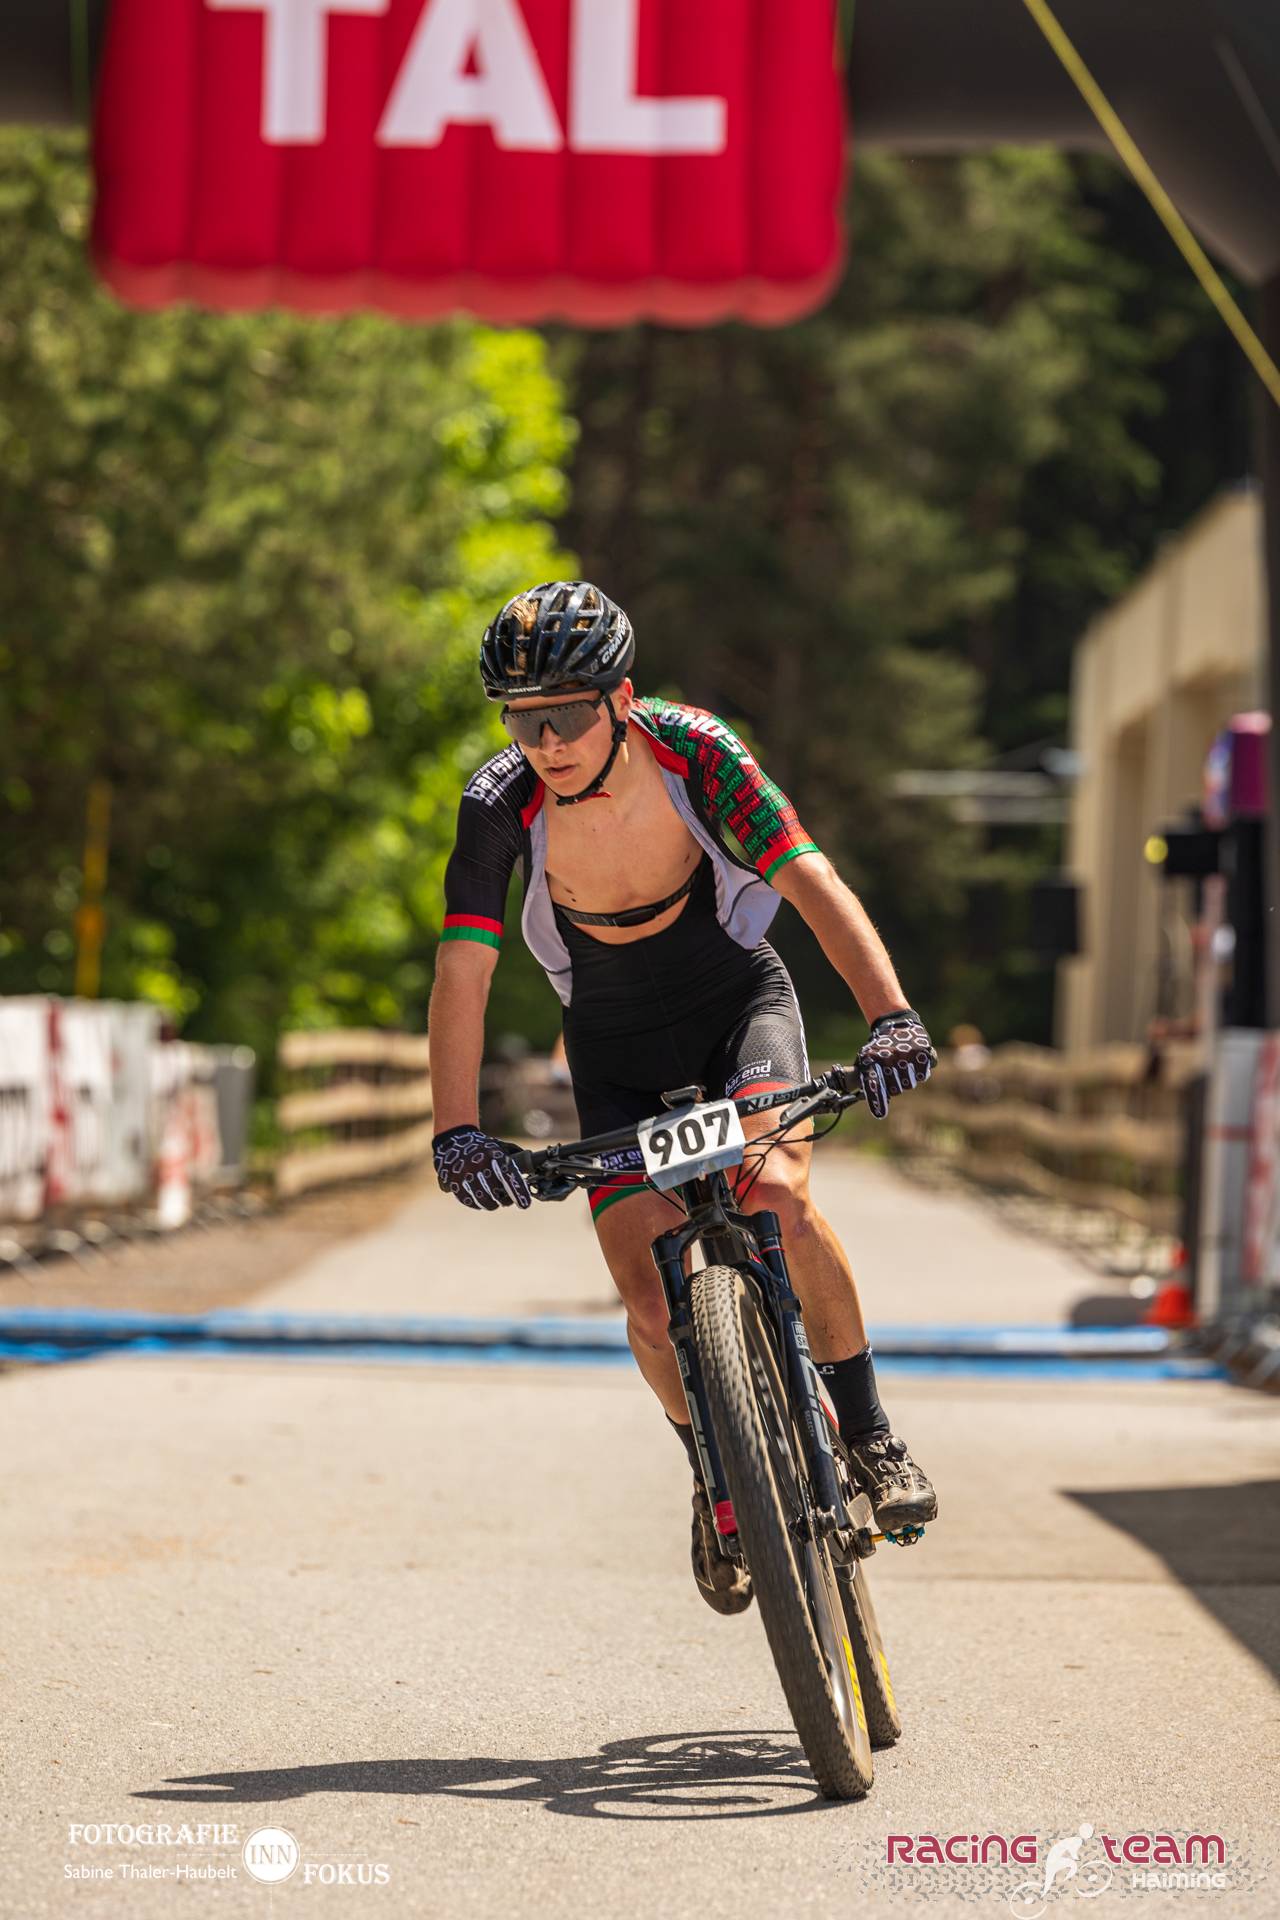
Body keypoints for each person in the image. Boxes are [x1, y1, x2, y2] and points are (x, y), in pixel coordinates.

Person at [429, 581, 939, 1614]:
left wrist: (890, 1015)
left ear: (619, 698)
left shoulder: (697, 751)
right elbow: (463, 970)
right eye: (522, 720)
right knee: (649, 1299)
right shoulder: (496, 802)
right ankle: (716, 1479)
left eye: (566, 715)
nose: (545, 743)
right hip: (610, 1039)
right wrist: (456, 1133)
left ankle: (870, 1434)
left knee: (774, 1195)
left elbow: (809, 881)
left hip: (734, 1002)